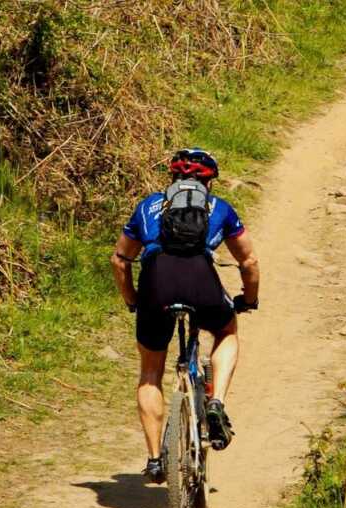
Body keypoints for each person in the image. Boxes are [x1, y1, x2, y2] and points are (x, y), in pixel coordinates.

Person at [110, 148, 261, 484]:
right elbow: (248, 262)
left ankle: (153, 460)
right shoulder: (220, 208)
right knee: (226, 332)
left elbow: (120, 260)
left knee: (150, 372)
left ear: (172, 177)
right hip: (200, 281)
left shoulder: (148, 206)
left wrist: (133, 299)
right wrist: (248, 300)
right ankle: (217, 402)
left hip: (155, 283)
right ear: (210, 180)